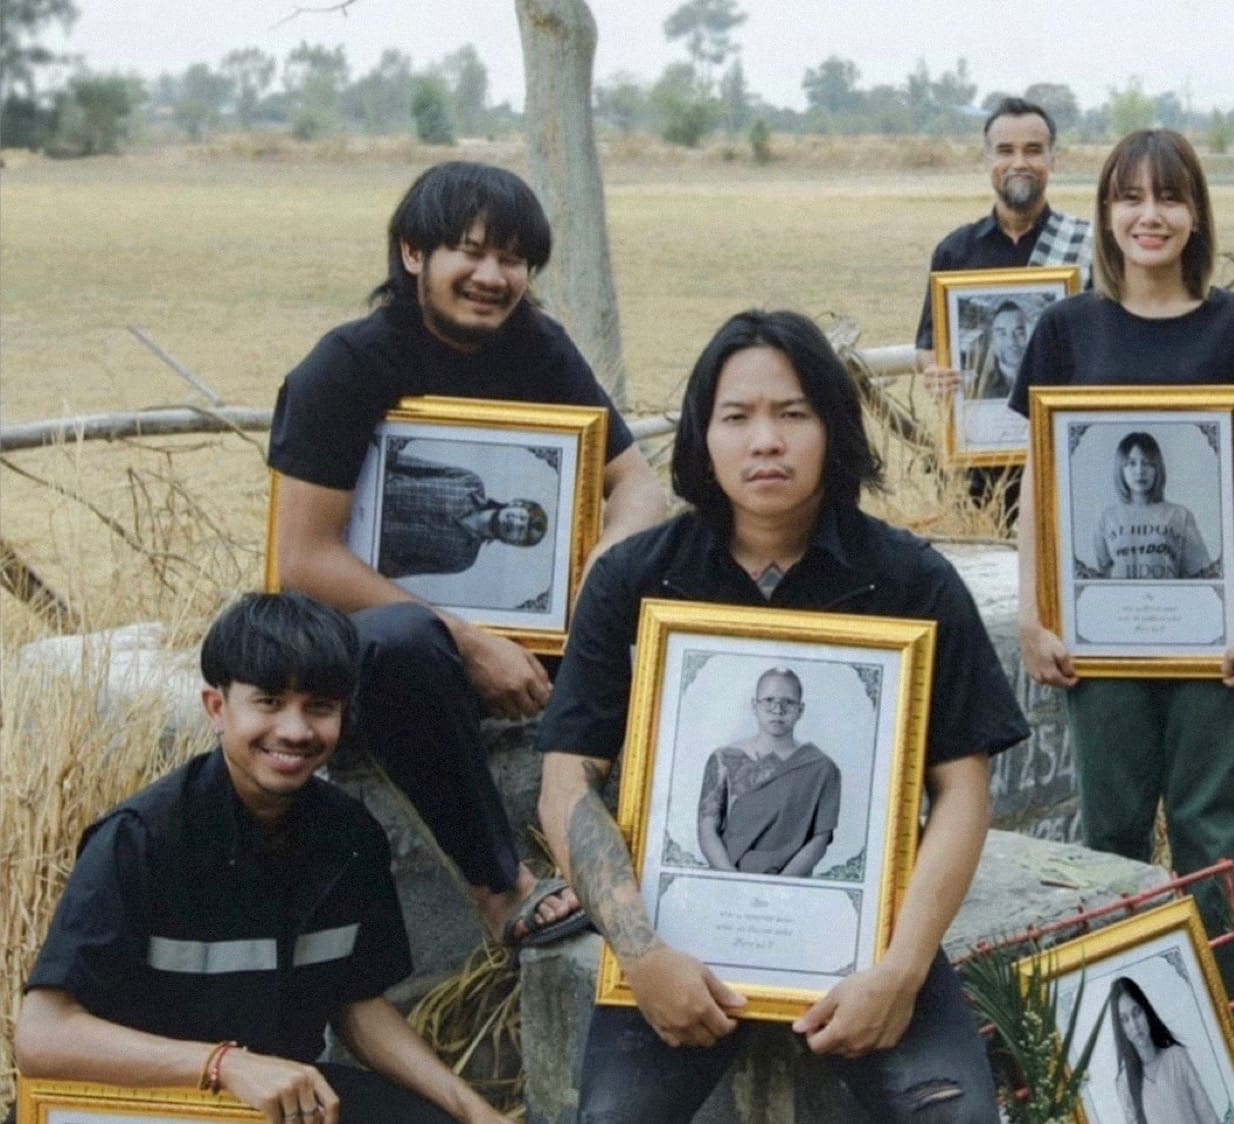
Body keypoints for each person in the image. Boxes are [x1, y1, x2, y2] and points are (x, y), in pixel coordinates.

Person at [536, 310, 1028, 1123]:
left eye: (793, 413)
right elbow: (565, 782)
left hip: (865, 939)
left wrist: (900, 974)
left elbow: (964, 791)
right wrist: (642, 953)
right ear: (702, 437)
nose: (765, 440)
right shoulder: (634, 581)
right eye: (737, 417)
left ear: (834, 428)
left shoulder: (912, 583)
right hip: (674, 939)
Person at [267, 161, 674, 948]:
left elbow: (641, 490)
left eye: (514, 259)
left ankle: (649, 865)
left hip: (515, 639)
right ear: (414, 253)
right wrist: (472, 640)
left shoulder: (539, 351)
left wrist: (605, 567)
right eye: (471, 252)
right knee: (403, 643)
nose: (494, 276)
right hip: (365, 640)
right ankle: (503, 887)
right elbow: (305, 559)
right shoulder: (347, 367)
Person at [12, 593, 512, 1124]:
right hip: (141, 1105)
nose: (295, 731)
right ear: (217, 709)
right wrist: (225, 1066)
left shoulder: (351, 836)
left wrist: (472, 1110)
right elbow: (42, 1036)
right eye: (270, 703)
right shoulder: (140, 838)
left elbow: (355, 1002)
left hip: (279, 1103)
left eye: (319, 707)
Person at [1010, 129, 1234, 998]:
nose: (1150, 216)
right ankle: (1116, 1003)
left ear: (1196, 215)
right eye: (1130, 198)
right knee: (1110, 830)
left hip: (1216, 637)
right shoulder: (1068, 331)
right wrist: (1034, 611)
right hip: (1099, 641)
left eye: (1170, 198)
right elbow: (1042, 478)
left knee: (1211, 830)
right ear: (1105, 213)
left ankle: (1222, 1011)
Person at [916, 97, 1093, 522]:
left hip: (1067, 460)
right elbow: (928, 344)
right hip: (980, 471)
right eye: (1005, 150)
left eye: (1033, 150)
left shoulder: (1089, 248)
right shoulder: (956, 250)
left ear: (1053, 158)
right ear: (987, 159)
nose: (1020, 162)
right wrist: (934, 372)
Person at [695, 667, 842, 877]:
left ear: (800, 710)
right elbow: (707, 829)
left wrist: (779, 885)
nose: (778, 709)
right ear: (754, 706)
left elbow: (820, 838)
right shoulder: (723, 759)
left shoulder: (822, 768)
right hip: (727, 879)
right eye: (769, 700)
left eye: (788, 702)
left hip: (790, 887)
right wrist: (729, 878)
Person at [376, 450, 549, 579]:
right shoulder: (470, 482)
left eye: (521, 531)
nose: (517, 524)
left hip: (367, 538)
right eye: (522, 517)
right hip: (371, 486)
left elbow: (400, 568)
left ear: (513, 542)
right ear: (516, 503)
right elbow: (408, 463)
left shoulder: (462, 560)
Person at [1086, 430, 1216, 580]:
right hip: (1121, 602)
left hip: (1168, 601)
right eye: (1131, 463)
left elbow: (1202, 573)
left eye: (1147, 463)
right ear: (1120, 469)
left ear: (1158, 468)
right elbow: (1097, 576)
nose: (1140, 471)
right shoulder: (1106, 518)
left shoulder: (1180, 515)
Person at [1106, 977, 1220, 1124]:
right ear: (1120, 1028)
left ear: (1146, 1012)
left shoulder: (1177, 1057)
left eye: (1136, 1013)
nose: (1134, 1025)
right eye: (1125, 1020)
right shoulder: (1124, 1083)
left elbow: (1207, 1115)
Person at [962, 299, 1033, 402]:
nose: (1011, 342)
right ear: (992, 340)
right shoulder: (976, 391)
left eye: (1019, 333)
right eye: (1002, 334)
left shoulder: (1049, 382)